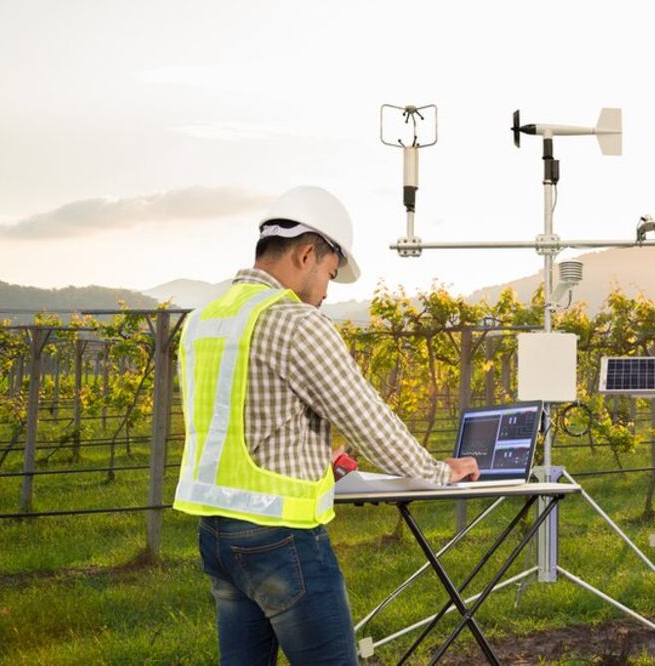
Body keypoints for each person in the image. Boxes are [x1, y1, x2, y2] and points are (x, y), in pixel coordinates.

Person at [173, 185, 480, 664]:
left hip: (217, 535)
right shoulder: (295, 322)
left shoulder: (202, 321)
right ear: (308, 253)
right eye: (330, 275)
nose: (326, 291)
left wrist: (319, 454)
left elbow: (236, 420)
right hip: (281, 537)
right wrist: (440, 471)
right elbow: (369, 420)